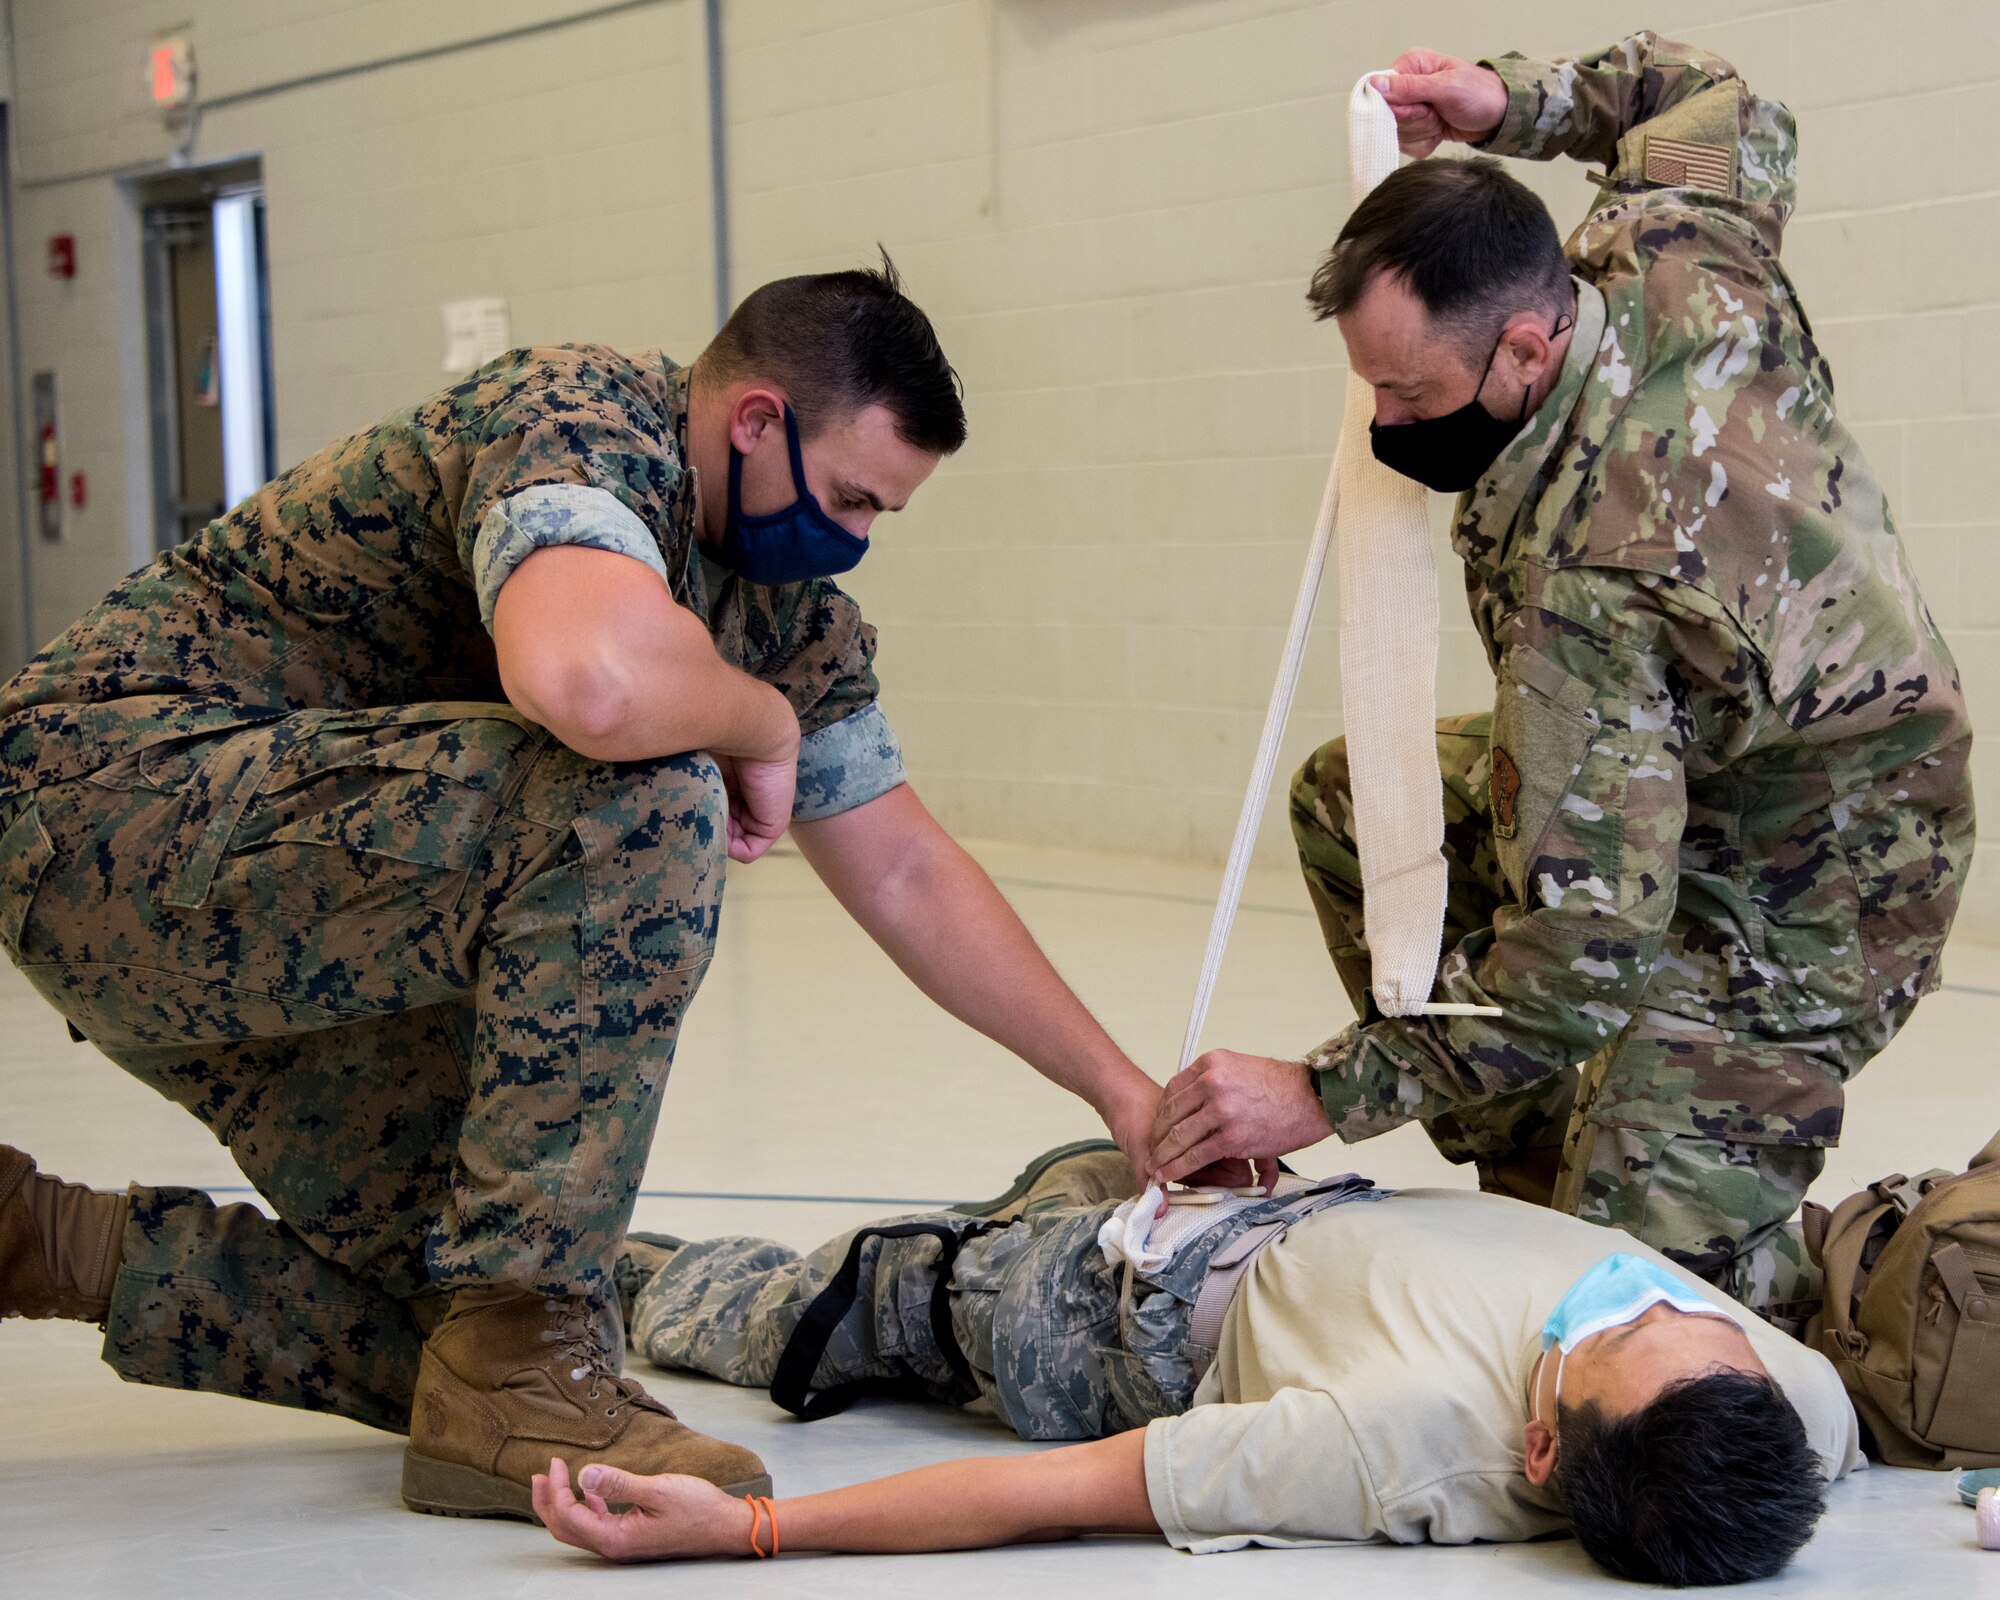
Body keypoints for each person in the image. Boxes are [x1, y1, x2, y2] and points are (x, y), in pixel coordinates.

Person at [0, 257, 1172, 1519]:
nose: (851, 537)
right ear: (755, 419)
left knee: (456, 1316)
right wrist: (761, 725)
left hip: (285, 897)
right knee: (644, 790)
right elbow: (590, 683)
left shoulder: (783, 608)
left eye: (880, 514)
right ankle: (516, 1364)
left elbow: (901, 864)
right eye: (844, 495)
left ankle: (41, 1238)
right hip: (104, 802)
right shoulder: (578, 422)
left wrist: (1124, 1094)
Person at [1147, 34, 1974, 1334]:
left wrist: (1321, 1093)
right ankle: (1541, 1166)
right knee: (1361, 802)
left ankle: (1865, 1282)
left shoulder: (1592, 577)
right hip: (1695, 748)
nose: (1386, 428)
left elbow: (1586, 954)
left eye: (1412, 395)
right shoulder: (1671, 250)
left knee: (1632, 1328)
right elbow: (1712, 100)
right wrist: (1508, 103)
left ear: (1526, 352)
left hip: (1825, 868)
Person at [524, 1143, 1856, 1583]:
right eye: (1695, 1315)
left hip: (1120, 1306)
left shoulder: (1383, 1447)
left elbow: (1046, 1497)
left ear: (1545, 1452)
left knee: (825, 1308)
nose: (1629, 1296)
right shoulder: (1800, 1410)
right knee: (1049, 1184)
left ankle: (597, 1270)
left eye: (1618, 1332)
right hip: (1267, 1197)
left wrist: (754, 1528)